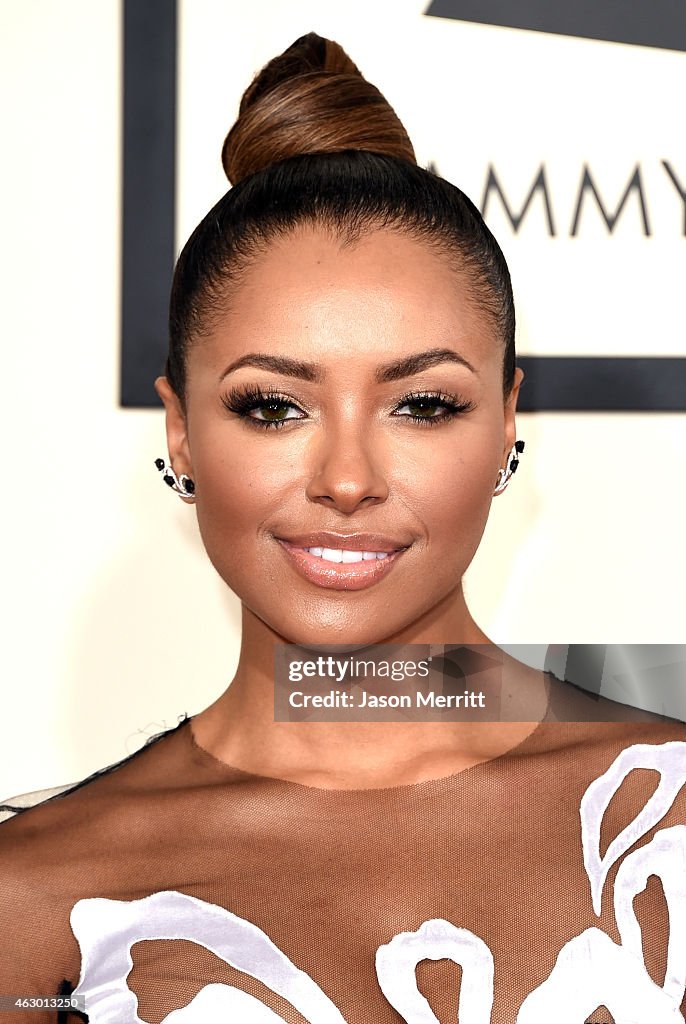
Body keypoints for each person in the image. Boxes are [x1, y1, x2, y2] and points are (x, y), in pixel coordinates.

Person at [1, 31, 686, 1024]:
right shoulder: (36, 897)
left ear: (503, 424)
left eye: (422, 406)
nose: (348, 479)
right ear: (182, 431)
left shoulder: (666, 819)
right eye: (273, 407)